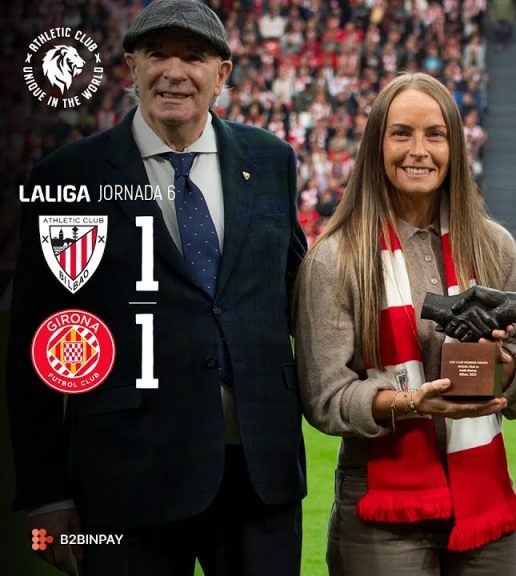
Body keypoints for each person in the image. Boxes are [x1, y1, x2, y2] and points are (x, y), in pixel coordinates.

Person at [5, 0, 307, 574]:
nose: (174, 71)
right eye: (158, 54)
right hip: (126, 480)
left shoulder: (271, 161)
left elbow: (301, 290)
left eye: (193, 57)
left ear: (222, 73)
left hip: (259, 475)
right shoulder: (69, 177)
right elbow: (37, 344)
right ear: (131, 66)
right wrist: (46, 492)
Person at [294, 72, 516, 576]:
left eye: (435, 134)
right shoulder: (335, 258)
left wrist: (503, 365)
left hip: (483, 496)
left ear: (455, 147)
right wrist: (412, 403)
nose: (419, 150)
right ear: (376, 145)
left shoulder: (493, 245)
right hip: (380, 501)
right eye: (401, 134)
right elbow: (325, 398)